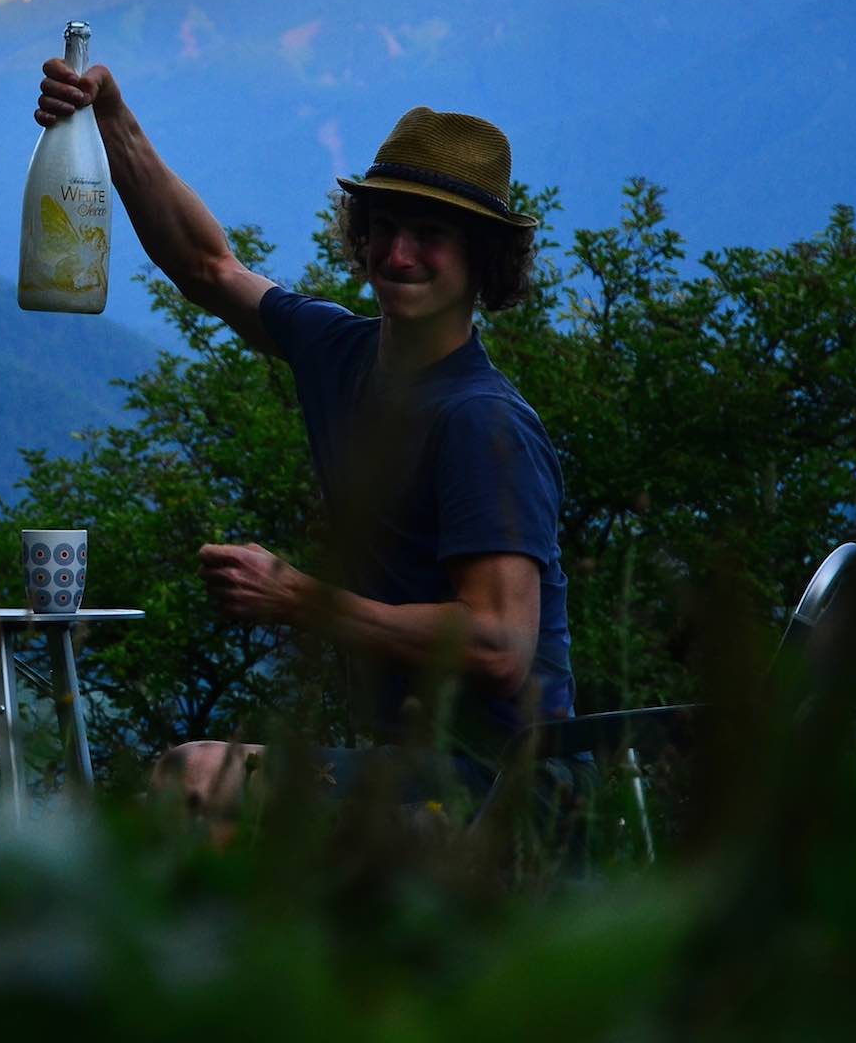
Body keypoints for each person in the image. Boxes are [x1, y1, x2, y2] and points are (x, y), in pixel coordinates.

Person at [33, 61, 580, 834]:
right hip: (411, 767)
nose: (397, 254)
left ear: (484, 262)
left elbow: (498, 646)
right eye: (384, 228)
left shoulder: (481, 421)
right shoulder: (342, 354)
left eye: (430, 236)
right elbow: (207, 267)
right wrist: (109, 118)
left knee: (196, 781)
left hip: (503, 788)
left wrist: (297, 597)